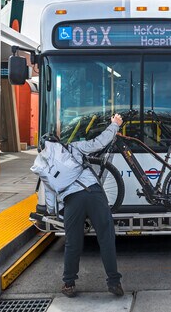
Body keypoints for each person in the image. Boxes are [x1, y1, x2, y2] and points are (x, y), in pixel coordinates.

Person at [61, 113, 124, 298]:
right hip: (93, 192)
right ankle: (114, 282)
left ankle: (69, 284)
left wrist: (61, 211)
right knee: (106, 237)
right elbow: (98, 143)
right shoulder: (73, 147)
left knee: (72, 242)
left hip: (72, 199)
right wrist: (114, 125)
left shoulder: (45, 163)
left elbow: (51, 193)